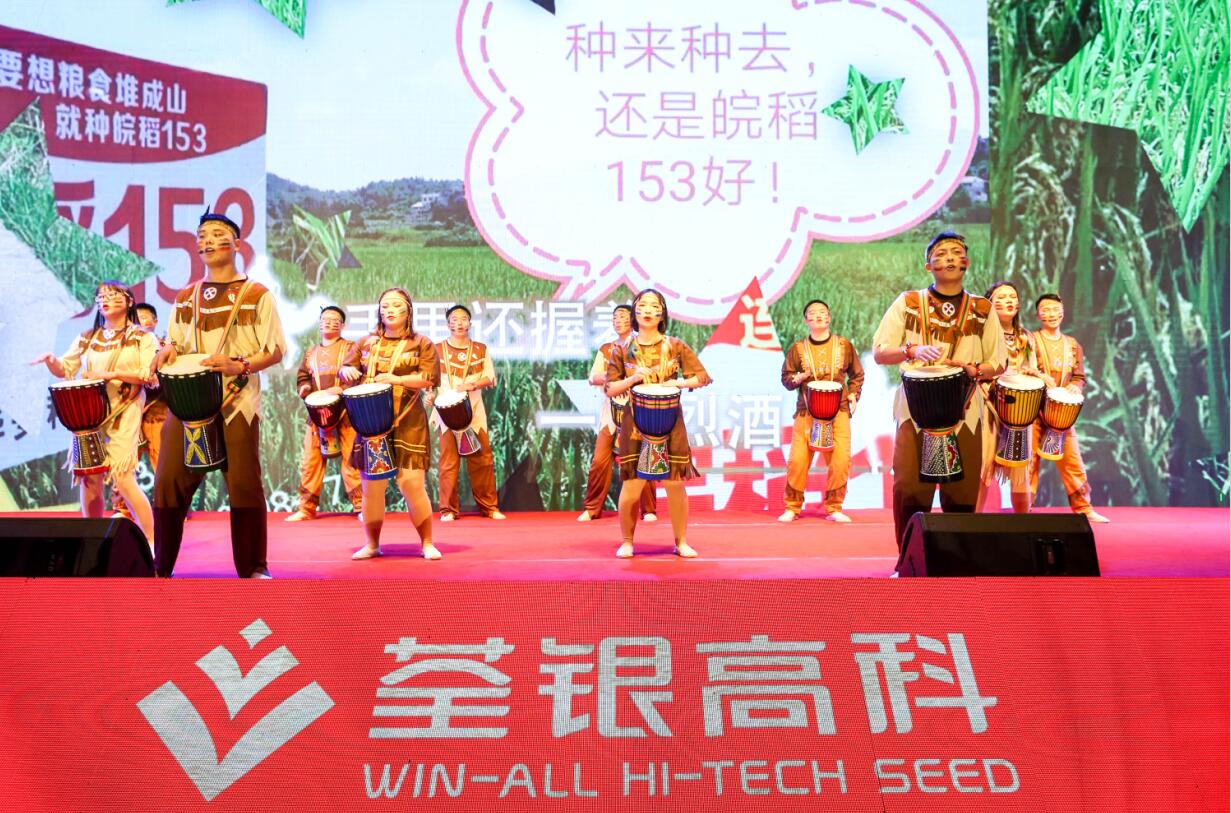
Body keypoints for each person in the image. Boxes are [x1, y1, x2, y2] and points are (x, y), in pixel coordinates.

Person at [150, 209, 286, 578]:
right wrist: (167, 351)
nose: (207, 241)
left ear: (237, 244)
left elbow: (275, 350)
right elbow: (176, 342)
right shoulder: (186, 296)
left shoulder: (257, 294)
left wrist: (239, 364)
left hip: (236, 400)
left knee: (242, 482)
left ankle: (253, 567)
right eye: (202, 236)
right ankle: (160, 567)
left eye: (216, 234)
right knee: (168, 480)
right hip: (188, 402)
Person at [872, 231, 1007, 555]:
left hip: (965, 409)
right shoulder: (908, 302)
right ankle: (908, 561)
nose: (949, 257)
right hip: (916, 411)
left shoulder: (982, 308)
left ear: (967, 262)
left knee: (961, 492)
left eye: (956, 252)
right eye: (941, 253)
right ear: (928, 265)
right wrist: (911, 350)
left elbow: (998, 361)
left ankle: (956, 561)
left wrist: (975, 369)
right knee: (910, 489)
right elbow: (880, 351)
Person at [32, 281, 158, 545]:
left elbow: (148, 375)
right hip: (89, 416)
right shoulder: (88, 337)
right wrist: (52, 361)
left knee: (123, 479)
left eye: (113, 295)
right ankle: (92, 542)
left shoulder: (143, 338)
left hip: (124, 410)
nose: (106, 299)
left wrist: (110, 374)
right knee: (89, 478)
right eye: (102, 296)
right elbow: (66, 368)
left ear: (129, 301)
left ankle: (150, 541)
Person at [605, 288, 711, 558]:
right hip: (635, 422)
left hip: (670, 421)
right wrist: (633, 379)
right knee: (632, 485)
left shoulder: (675, 346)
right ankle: (627, 541)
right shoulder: (622, 349)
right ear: (635, 311)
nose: (648, 310)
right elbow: (610, 388)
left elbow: (702, 377)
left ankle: (681, 541)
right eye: (643, 305)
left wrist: (678, 383)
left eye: (655, 306)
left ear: (662, 314)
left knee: (675, 484)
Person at [339, 288, 442, 559]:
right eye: (385, 306)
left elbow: (429, 378)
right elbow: (346, 369)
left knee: (411, 484)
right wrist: (346, 370)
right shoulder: (366, 343)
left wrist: (397, 380)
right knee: (372, 489)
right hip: (372, 426)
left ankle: (427, 543)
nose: (390, 310)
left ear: (408, 311)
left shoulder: (421, 343)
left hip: (408, 421)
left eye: (396, 305)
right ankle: (372, 544)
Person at [778, 299, 865, 524]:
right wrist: (799, 378)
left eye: (822, 312)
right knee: (797, 461)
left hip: (839, 411)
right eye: (812, 313)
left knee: (840, 460)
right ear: (806, 320)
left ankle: (834, 507)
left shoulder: (844, 345)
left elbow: (857, 374)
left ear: (829, 317)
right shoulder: (798, 349)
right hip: (807, 412)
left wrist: (853, 394)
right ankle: (792, 507)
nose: (818, 316)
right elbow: (786, 379)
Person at [1028, 293, 1110, 523]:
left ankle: (1084, 508)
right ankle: (1024, 508)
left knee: (1072, 461)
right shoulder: (1030, 341)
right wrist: (1038, 375)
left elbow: (1079, 376)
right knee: (1029, 462)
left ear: (1063, 313)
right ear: (1038, 315)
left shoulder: (1073, 345)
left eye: (1055, 309)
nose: (1051, 314)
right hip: (1034, 411)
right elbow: (1021, 367)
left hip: (1061, 415)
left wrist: (1075, 386)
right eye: (1046, 310)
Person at [579, 304, 657, 522]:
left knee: (643, 459)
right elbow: (593, 378)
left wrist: (629, 379)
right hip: (610, 411)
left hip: (637, 411)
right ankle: (592, 509)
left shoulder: (643, 346)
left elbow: (650, 376)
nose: (618, 321)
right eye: (615, 317)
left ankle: (649, 509)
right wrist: (613, 378)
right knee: (599, 461)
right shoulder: (606, 349)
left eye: (623, 316)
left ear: (632, 320)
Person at [286, 305, 364, 522]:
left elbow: (361, 374)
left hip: (346, 413)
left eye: (334, 320)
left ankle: (361, 507)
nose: (329, 322)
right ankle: (306, 509)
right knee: (311, 461)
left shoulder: (351, 348)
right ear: (319, 324)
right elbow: (303, 377)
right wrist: (304, 388)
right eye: (325, 319)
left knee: (351, 461)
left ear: (342, 325)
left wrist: (341, 389)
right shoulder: (311, 353)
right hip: (317, 415)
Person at [433, 304, 505, 521]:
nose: (459, 323)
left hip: (473, 411)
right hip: (446, 413)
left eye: (463, 319)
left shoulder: (480, 349)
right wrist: (428, 395)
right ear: (448, 324)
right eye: (454, 320)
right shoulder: (437, 349)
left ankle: (489, 507)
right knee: (448, 462)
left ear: (470, 323)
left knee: (482, 460)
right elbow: (431, 380)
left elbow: (489, 377)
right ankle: (448, 510)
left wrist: (472, 384)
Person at [978, 282, 1043, 514]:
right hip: (988, 405)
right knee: (984, 465)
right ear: (989, 304)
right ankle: (972, 524)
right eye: (1002, 297)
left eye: (1012, 297)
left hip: (1018, 410)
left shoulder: (1025, 337)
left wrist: (1033, 375)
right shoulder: (981, 335)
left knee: (1020, 470)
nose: (1008, 301)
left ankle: (1023, 523)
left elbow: (1031, 367)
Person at [110, 302, 167, 522]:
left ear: (154, 321)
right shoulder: (122, 348)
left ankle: (169, 510)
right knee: (122, 463)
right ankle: (123, 509)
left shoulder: (164, 347)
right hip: (128, 411)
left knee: (162, 463)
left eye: (143, 318)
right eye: (135, 319)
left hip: (156, 411)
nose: (139, 322)